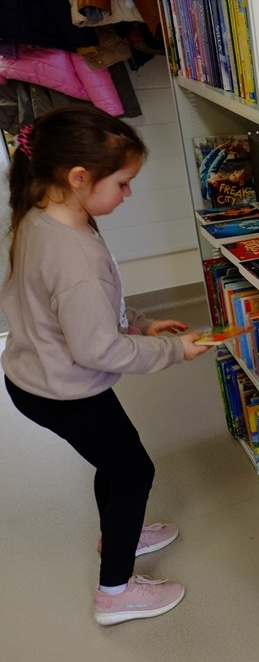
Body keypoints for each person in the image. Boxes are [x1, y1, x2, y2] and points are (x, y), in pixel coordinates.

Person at [0, 106, 211, 625]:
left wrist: (139, 323)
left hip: (40, 377)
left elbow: (92, 311)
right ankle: (115, 591)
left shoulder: (43, 216)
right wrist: (173, 351)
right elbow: (97, 349)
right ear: (78, 177)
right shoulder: (75, 256)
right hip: (64, 390)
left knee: (116, 464)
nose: (128, 193)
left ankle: (119, 533)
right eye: (122, 183)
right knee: (134, 472)